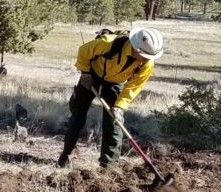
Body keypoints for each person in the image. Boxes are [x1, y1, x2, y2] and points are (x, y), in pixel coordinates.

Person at [57, 27, 163, 168]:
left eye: (149, 57)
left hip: (116, 82)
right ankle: (65, 157)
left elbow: (134, 87)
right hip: (92, 74)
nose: (146, 60)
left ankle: (108, 167)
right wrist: (85, 73)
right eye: (144, 56)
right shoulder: (108, 43)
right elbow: (83, 51)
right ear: (136, 48)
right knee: (78, 117)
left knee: (114, 123)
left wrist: (120, 107)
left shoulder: (147, 64)